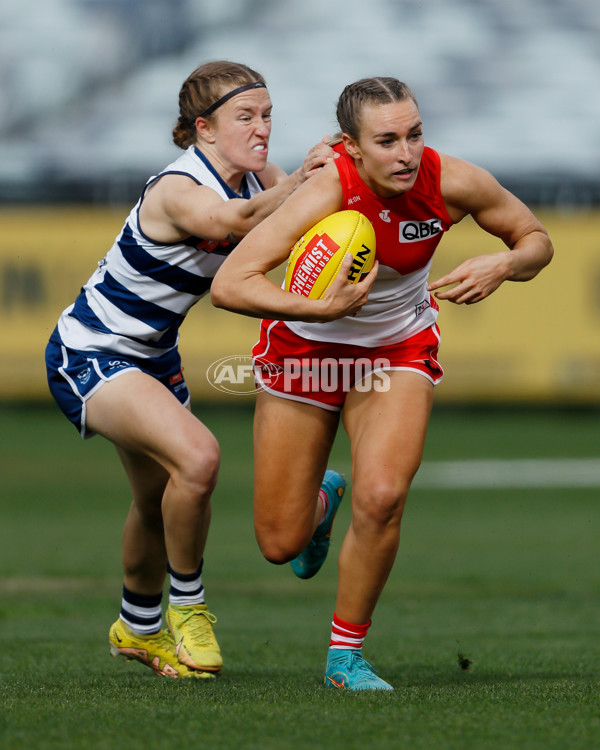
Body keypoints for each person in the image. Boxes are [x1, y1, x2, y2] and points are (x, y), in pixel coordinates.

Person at [210, 76, 554, 690]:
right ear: (352, 145)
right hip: (306, 347)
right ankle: (321, 505)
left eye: (414, 134)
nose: (406, 153)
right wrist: (322, 309)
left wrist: (505, 263)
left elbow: (536, 240)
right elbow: (231, 283)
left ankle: (346, 657)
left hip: (396, 349)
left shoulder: (452, 181)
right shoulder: (325, 192)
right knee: (278, 542)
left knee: (385, 495)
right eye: (387, 139)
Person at [45, 60, 335, 679]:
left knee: (157, 497)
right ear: (203, 128)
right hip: (91, 350)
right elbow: (229, 223)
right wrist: (301, 182)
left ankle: (137, 627)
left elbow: (307, 221)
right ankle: (190, 609)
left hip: (153, 358)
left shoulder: (262, 179)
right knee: (199, 459)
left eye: (267, 116)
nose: (262, 130)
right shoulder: (176, 188)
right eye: (245, 117)